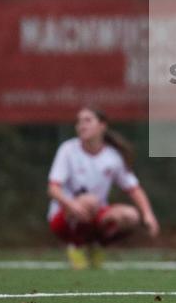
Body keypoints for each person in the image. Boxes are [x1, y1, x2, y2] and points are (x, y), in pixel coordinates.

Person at [47, 106, 160, 269]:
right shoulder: (68, 150)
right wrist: (71, 204)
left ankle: (97, 245)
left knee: (131, 216)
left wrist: (148, 215)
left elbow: (134, 188)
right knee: (91, 201)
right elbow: (53, 189)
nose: (81, 125)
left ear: (102, 125)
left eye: (87, 120)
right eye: (78, 121)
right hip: (63, 217)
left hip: (95, 216)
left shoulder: (113, 156)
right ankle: (76, 246)